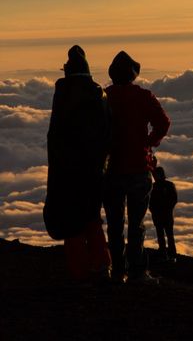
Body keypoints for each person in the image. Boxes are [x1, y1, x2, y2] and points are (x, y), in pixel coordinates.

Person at [43, 45, 111, 282]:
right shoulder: (99, 95)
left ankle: (79, 272)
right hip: (94, 170)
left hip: (67, 171)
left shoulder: (64, 95)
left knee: (71, 221)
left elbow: (57, 137)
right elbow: (106, 134)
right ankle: (102, 264)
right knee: (91, 215)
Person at [104, 51, 170, 284]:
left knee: (114, 224)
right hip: (139, 168)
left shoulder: (104, 97)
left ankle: (116, 270)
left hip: (110, 169)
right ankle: (137, 272)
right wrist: (149, 143)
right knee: (136, 224)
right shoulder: (143, 97)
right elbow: (163, 123)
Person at [149, 165, 178, 262]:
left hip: (166, 215)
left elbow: (174, 199)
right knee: (160, 235)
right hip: (158, 215)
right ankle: (163, 253)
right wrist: (153, 210)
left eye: (156, 174)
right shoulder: (153, 187)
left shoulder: (169, 185)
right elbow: (150, 202)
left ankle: (172, 255)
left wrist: (167, 208)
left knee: (169, 235)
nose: (155, 176)